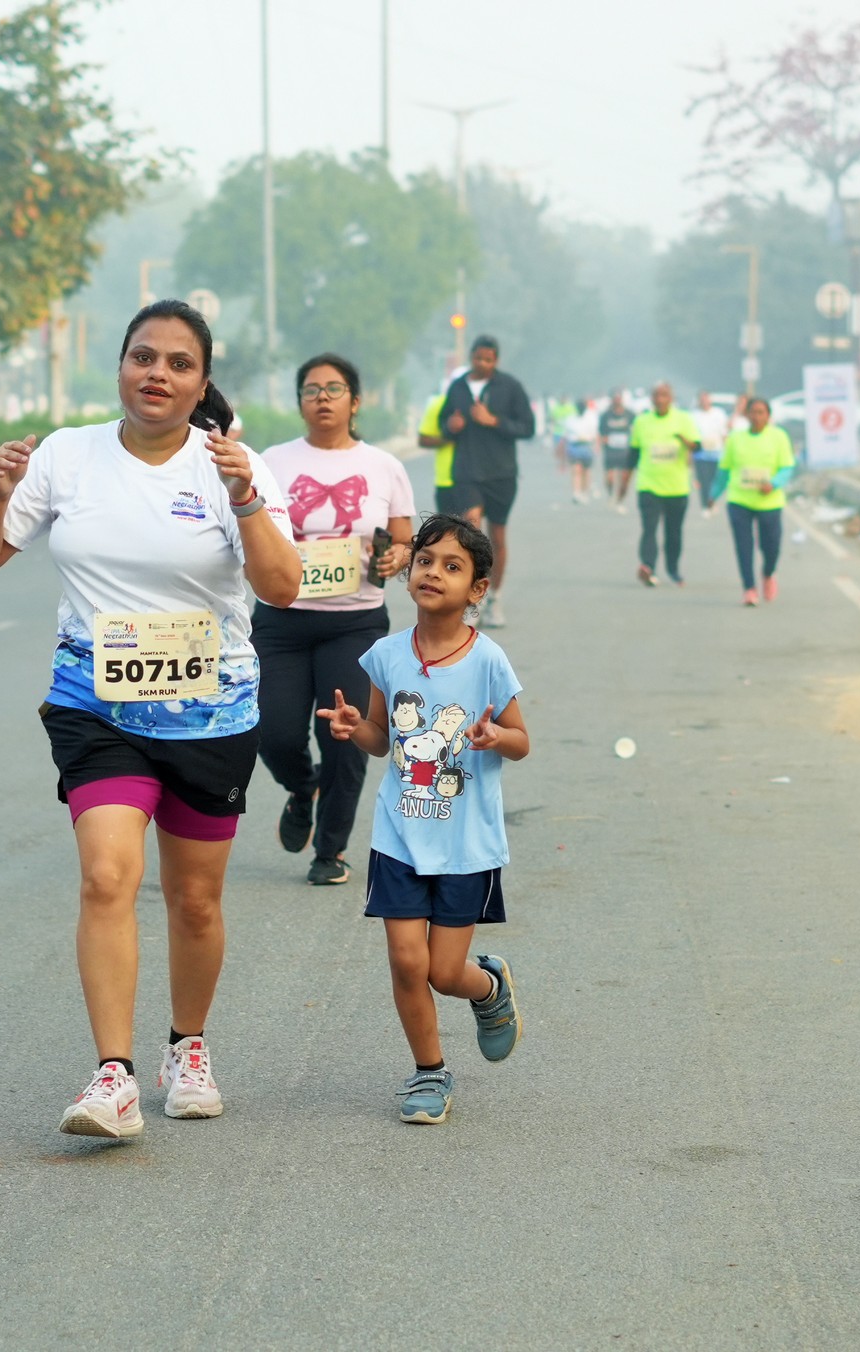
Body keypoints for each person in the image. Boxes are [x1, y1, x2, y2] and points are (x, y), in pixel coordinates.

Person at [0, 298, 301, 1139]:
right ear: (119, 366)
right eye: (143, 356)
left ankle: (188, 1047)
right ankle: (113, 1076)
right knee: (107, 876)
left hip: (210, 712)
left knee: (195, 900)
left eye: (179, 364)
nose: (158, 374)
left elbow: (283, 588)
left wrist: (245, 499)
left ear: (202, 385)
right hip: (96, 707)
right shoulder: (67, 455)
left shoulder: (231, 468)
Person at [318, 513, 529, 1125]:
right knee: (408, 961)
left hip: (466, 843)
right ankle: (429, 1071)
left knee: (444, 971)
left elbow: (521, 741)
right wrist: (355, 728)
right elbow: (381, 737)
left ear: (477, 589)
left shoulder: (488, 660)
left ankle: (487, 986)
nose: (434, 572)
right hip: (400, 836)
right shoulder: (386, 655)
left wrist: (495, 737)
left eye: (452, 566)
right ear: (408, 573)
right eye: (426, 561)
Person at [255, 354, 415, 887]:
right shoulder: (272, 462)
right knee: (274, 732)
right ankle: (304, 787)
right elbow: (251, 528)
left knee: (346, 736)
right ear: (299, 401)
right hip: (282, 618)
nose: (322, 397)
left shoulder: (384, 466)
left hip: (355, 622)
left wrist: (396, 558)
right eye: (311, 389)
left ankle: (331, 851)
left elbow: (404, 541)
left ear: (355, 401)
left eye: (334, 388)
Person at [440, 337, 535, 627]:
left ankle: (495, 597)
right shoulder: (458, 387)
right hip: (467, 471)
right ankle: (472, 599)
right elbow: (444, 422)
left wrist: (493, 420)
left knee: (498, 536)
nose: (482, 363)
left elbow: (528, 427)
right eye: (478, 358)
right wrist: (451, 426)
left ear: (496, 361)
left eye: (488, 359)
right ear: (471, 357)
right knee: (471, 528)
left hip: (501, 473)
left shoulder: (510, 387)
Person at [714, 395, 797, 607]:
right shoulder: (736, 438)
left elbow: (787, 467)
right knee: (744, 546)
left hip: (769, 502)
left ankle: (768, 573)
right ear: (747, 415)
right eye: (753, 412)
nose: (757, 417)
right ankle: (749, 588)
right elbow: (724, 470)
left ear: (768, 416)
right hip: (739, 500)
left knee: (771, 546)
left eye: (761, 413)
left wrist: (774, 483)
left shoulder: (779, 437)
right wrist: (713, 494)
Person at [630, 382, 700, 587]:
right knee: (649, 528)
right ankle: (648, 566)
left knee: (673, 533)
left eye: (664, 395)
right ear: (651, 399)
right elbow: (633, 454)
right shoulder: (642, 421)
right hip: (648, 485)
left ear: (671, 398)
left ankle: (673, 568)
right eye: (656, 395)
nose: (660, 399)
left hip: (676, 487)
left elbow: (697, 446)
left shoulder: (683, 420)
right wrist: (624, 482)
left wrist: (686, 441)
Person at [418, 368, 466, 515]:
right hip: (446, 480)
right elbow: (423, 439)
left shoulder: (479, 406)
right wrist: (450, 438)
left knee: (473, 526)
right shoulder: (437, 404)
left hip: (478, 478)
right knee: (450, 527)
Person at [597, 389, 637, 512]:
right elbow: (600, 432)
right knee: (610, 478)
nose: (617, 401)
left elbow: (636, 428)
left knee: (624, 478)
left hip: (625, 451)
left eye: (619, 398)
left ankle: (620, 500)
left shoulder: (630, 414)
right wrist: (601, 442)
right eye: (615, 399)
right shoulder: (606, 415)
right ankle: (611, 495)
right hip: (611, 450)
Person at [692, 390, 731, 513]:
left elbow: (724, 434)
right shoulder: (694, 415)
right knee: (704, 481)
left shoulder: (719, 414)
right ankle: (705, 505)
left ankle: (712, 501)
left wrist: (727, 450)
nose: (704, 402)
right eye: (702, 399)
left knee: (715, 480)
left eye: (706, 399)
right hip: (701, 455)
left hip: (716, 453)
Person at [564, 399, 599, 503]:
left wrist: (596, 446)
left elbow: (595, 433)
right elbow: (566, 435)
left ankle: (584, 492)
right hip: (575, 446)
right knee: (576, 470)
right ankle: (576, 492)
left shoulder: (591, 418)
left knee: (586, 471)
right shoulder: (570, 419)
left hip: (586, 446)